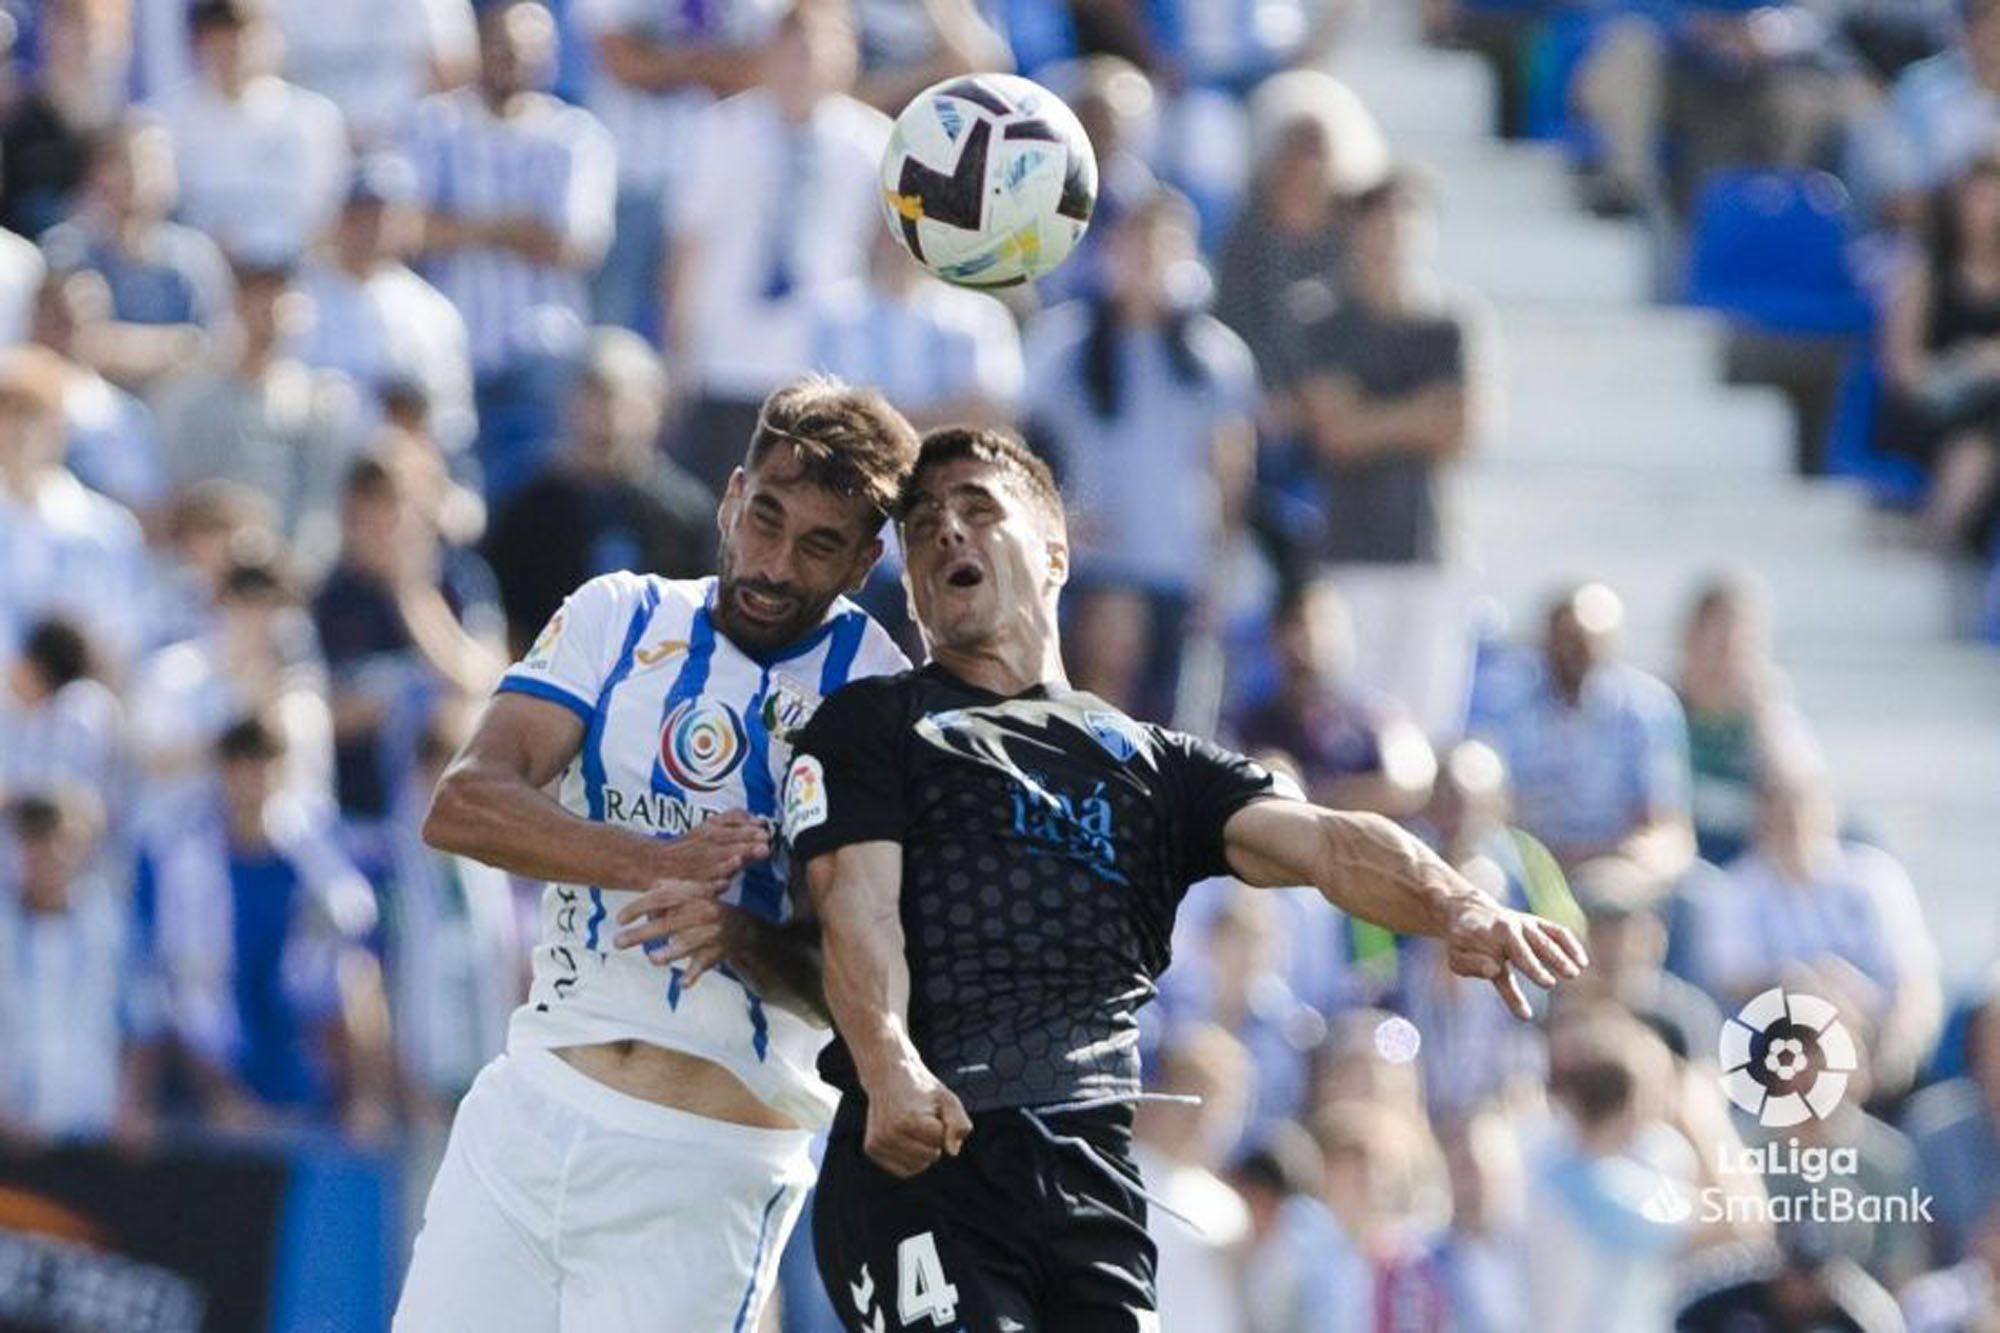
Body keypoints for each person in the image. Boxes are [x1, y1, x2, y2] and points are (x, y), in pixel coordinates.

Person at [773, 427, 1586, 1332]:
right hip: (926, 1154)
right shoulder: (878, 724)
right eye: (924, 526)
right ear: (916, 590)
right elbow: (856, 908)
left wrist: (1457, 903)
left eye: (977, 508)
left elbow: (1325, 843)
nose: (947, 534)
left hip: (1091, 1176)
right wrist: (890, 1067)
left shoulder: (1152, 766)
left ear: (1054, 550)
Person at [393, 375, 919, 1331]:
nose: (773, 562)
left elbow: (874, 962)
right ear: (729, 496)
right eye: (764, 518)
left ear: (863, 563)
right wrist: (651, 858)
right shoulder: (618, 614)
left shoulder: (880, 697)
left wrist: (743, 931)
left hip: (707, 1158)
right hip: (529, 1112)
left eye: (818, 545)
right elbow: (465, 805)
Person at [1022, 188, 1258, 723]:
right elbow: (1016, 449)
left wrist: (1220, 577)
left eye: (1165, 244)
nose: (1150, 258)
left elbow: (1231, 477)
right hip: (1085, 571)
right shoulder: (1062, 344)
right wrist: (1056, 521)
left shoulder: (1215, 357)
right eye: (1137, 241)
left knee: (1169, 727)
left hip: (1174, 568)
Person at [663, 0, 890, 497]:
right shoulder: (719, 131)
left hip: (823, 361)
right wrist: (678, 357)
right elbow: (688, 247)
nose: (803, 63)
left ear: (846, 57)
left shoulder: (871, 143)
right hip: (726, 356)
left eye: (818, 49)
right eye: (792, 48)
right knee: (726, 506)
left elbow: (880, 259)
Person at [403, 0, 616, 504]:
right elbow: (409, 229)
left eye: (528, 50)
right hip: (450, 348)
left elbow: (573, 244)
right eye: (501, 46)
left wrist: (463, 225)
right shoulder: (435, 124)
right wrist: (513, 226)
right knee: (451, 499)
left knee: (530, 502)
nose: (513, 59)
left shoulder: (575, 136)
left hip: (539, 352)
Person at [483, 328, 719, 658]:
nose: (608, 420)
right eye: (594, 399)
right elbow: (505, 622)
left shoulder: (685, 512)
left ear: (655, 408)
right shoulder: (527, 509)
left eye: (623, 401)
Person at [1473, 581, 1697, 882]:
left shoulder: (1647, 708)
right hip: (1522, 864)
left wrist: (1630, 865)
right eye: (1565, 639)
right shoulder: (1501, 702)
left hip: (1613, 866)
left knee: (1697, 898)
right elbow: (1489, 809)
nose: (1573, 653)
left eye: (1586, 642)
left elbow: (1665, 823)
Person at [152, 262, 367, 568]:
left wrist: (290, 567)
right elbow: (181, 499)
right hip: (203, 574)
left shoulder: (319, 403)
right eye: (258, 295)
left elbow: (321, 509)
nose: (270, 311)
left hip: (286, 576)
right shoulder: (190, 397)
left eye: (280, 296)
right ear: (236, 304)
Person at [298, 154, 476, 460]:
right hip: (315, 465)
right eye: (361, 214)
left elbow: (455, 421)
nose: (373, 227)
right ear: (338, 217)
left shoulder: (431, 310)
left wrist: (414, 418)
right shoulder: (296, 296)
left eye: (386, 216)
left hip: (398, 477)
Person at [148, 0, 349, 266]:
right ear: (198, 43)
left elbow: (326, 217)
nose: (234, 49)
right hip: (203, 281)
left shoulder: (313, 118)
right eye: (219, 37)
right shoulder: (163, 120)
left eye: (244, 35)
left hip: (292, 280)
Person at [1234, 577, 1437, 819]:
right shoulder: (1252, 724)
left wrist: (1312, 798)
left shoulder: (1374, 717)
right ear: (1278, 635)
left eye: (1329, 624)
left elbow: (1410, 781)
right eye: (1303, 624)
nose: (1315, 638)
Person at [0, 345, 149, 669]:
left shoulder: (106, 529)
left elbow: (123, 638)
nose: (18, 432)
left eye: (32, 414)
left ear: (58, 425)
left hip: (78, 709)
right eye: (7, 415)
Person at [1881, 150, 2000, 554]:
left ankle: (1941, 529)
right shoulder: (1924, 277)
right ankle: (1937, 534)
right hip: (1931, 411)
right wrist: (1964, 369)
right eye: (1980, 196)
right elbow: (1903, 371)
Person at [1676, 573, 1819, 865]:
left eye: (1735, 649)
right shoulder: (1660, 706)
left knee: (1860, 838)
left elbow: (1800, 784)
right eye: (1713, 647)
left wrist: (1763, 716)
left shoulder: (1767, 706)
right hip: (1689, 844)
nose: (1722, 662)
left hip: (1753, 842)